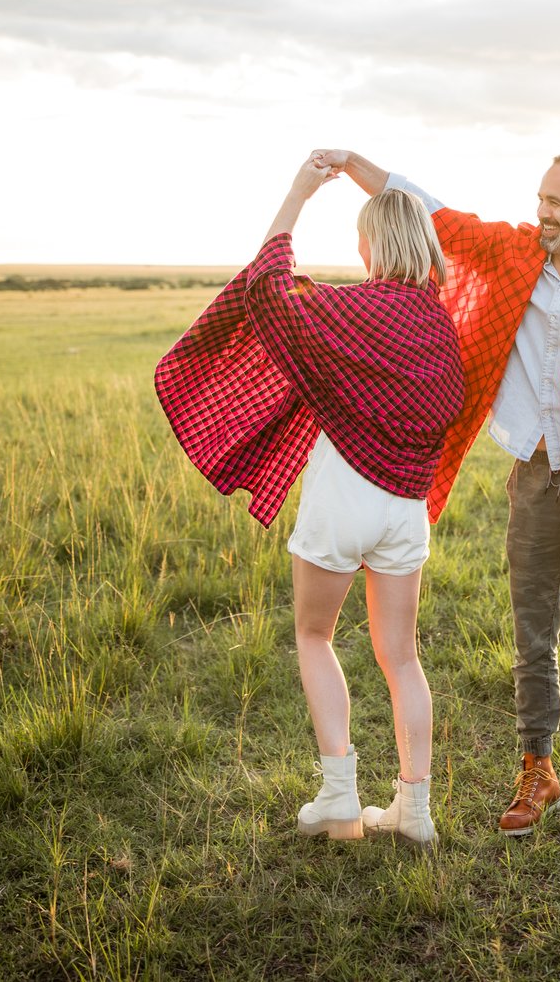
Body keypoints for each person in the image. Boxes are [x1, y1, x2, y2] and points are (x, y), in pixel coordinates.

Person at [312, 148, 560, 836]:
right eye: (540, 198)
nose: (542, 211)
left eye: (555, 202)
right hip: (534, 474)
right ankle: (538, 770)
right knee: (534, 635)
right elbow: (433, 211)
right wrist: (356, 166)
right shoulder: (513, 255)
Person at [155, 155, 465, 848]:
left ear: (372, 246)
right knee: (402, 656)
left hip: (344, 497)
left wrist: (299, 192)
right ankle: (413, 812)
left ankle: (339, 798)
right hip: (406, 507)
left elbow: (266, 287)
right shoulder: (441, 329)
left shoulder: (348, 308)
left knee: (314, 636)